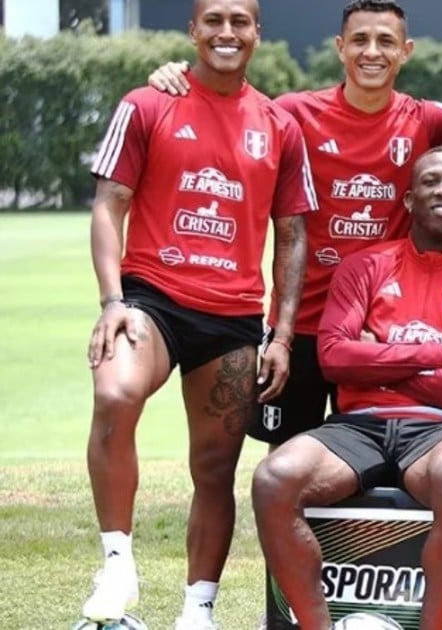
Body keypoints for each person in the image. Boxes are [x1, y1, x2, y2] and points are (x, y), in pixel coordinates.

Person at [145, 0, 442, 450]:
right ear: (340, 47)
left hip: (378, 337)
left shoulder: (430, 120)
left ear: (406, 51)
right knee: (289, 463)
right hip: (302, 326)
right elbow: (229, 105)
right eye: (360, 40)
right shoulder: (293, 114)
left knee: (375, 461)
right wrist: (179, 75)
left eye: (386, 41)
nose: (372, 52)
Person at [82, 0, 314, 628]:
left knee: (214, 470)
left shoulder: (278, 124)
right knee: (115, 392)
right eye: (213, 20)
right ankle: (117, 564)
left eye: (239, 21)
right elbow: (109, 204)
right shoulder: (147, 103)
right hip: (152, 298)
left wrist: (282, 334)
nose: (226, 32)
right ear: (193, 30)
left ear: (257, 32)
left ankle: (198, 611)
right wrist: (111, 301)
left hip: (232, 318)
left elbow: (293, 236)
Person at [250, 147, 442, 630]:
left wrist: (374, 360)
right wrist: (436, 356)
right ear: (409, 199)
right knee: (274, 479)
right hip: (358, 426)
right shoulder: (365, 267)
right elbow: (335, 358)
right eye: (431, 181)